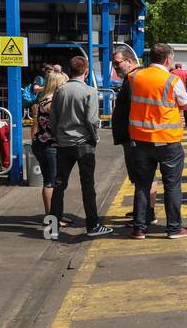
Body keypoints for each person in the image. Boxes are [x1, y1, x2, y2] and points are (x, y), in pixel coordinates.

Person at [127, 43, 187, 239]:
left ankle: (139, 227)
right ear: (168, 60)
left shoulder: (134, 76)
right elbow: (184, 104)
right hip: (167, 141)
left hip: (140, 139)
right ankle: (174, 228)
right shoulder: (172, 80)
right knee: (172, 185)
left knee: (142, 185)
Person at [50, 56, 112, 237]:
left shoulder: (60, 90)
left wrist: (58, 135)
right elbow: (92, 120)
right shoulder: (89, 91)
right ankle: (92, 225)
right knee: (88, 185)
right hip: (83, 143)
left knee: (59, 184)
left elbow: (53, 117)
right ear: (86, 72)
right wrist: (94, 138)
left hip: (63, 143)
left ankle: (52, 227)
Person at [111, 48, 158, 228]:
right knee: (140, 177)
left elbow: (135, 108)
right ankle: (142, 209)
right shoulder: (133, 78)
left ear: (130, 61)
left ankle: (146, 213)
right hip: (134, 136)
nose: (115, 68)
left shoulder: (133, 79)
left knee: (143, 177)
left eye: (118, 63)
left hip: (135, 137)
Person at [31, 70, 68, 224]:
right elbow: (57, 126)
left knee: (52, 181)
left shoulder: (43, 99)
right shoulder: (52, 103)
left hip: (43, 144)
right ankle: (52, 217)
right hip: (50, 146)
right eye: (65, 83)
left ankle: (55, 214)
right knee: (51, 182)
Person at [171, 62, 187, 127]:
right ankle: (186, 123)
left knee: (176, 108)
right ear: (181, 67)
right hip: (184, 90)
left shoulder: (172, 72)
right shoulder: (185, 72)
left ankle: (177, 122)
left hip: (174, 91)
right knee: (186, 107)